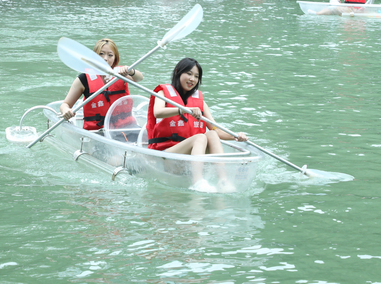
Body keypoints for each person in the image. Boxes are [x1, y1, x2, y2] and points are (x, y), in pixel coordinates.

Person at [146, 58, 247, 191]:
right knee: (200, 137)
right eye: (189, 73)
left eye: (196, 76)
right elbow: (157, 112)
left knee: (210, 133)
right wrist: (181, 109)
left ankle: (223, 181)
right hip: (166, 156)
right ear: (177, 72)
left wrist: (235, 136)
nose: (192, 79)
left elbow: (216, 130)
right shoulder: (163, 93)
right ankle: (197, 181)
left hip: (188, 160)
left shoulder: (201, 103)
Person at [59, 39, 143, 132]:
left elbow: (139, 78)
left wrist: (130, 71)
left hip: (126, 128)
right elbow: (65, 104)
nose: (105, 58)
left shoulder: (121, 74)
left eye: (110, 55)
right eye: (101, 54)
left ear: (115, 58)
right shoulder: (83, 79)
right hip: (97, 132)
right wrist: (66, 110)